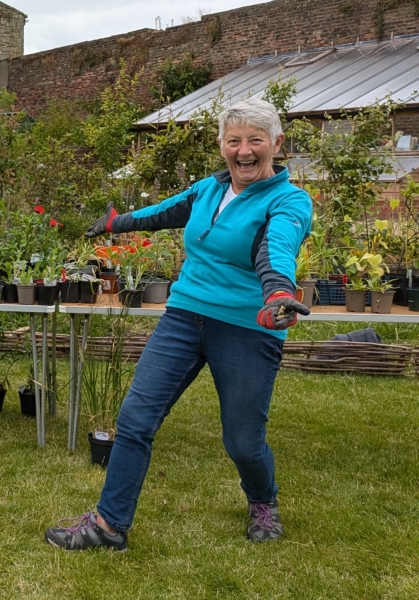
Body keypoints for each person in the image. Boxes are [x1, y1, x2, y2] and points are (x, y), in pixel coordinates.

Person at [45, 97, 312, 551]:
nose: (244, 151)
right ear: (221, 145)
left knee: (243, 443)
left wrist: (279, 293)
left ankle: (262, 499)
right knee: (135, 419)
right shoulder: (208, 189)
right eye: (234, 141)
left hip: (248, 326)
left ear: (277, 144)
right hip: (185, 317)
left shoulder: (289, 201)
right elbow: (166, 212)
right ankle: (109, 526)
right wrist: (118, 222)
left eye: (255, 140)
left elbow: (277, 247)